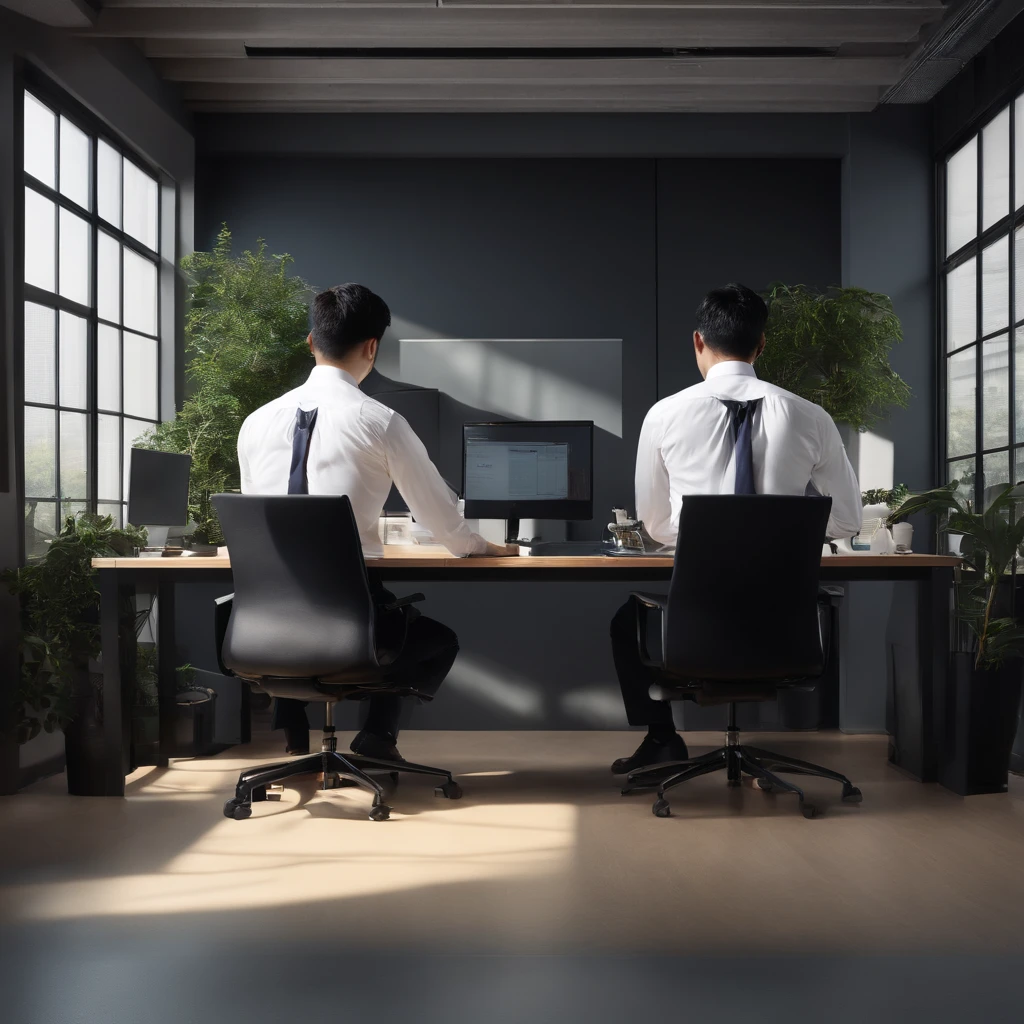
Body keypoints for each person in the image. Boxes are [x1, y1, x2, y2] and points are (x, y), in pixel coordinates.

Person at [237, 283, 515, 759]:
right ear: (372, 347)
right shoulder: (379, 420)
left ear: (311, 342)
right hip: (351, 625)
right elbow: (447, 529)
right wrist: (490, 548)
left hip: (262, 627)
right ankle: (376, 741)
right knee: (437, 641)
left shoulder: (255, 422)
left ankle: (296, 745)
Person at [609, 283, 862, 774]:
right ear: (761, 344)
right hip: (784, 624)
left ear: (698, 341)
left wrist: (710, 532)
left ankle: (662, 737)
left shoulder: (664, 415)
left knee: (627, 620)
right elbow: (848, 520)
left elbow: (656, 525)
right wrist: (785, 527)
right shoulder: (811, 416)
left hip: (698, 619)